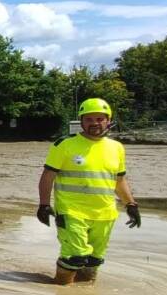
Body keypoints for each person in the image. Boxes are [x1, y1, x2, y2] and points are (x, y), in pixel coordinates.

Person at [36, 98, 140, 285]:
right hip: (72, 211)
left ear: (108, 120)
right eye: (89, 119)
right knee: (75, 256)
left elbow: (120, 180)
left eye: (99, 119)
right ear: (81, 122)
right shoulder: (64, 145)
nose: (94, 123)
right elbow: (48, 176)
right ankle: (62, 291)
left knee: (94, 260)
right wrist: (44, 204)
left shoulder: (116, 148)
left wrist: (131, 204)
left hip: (105, 214)